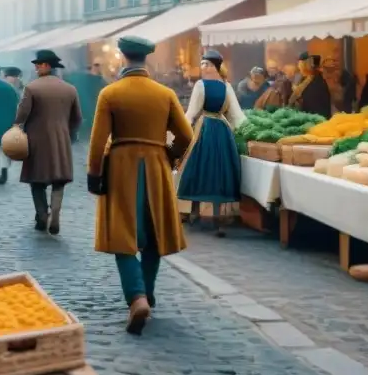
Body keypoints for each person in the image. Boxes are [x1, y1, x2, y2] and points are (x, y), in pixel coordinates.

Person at [87, 35, 193, 335]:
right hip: (156, 166)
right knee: (155, 233)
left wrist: (94, 175)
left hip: (121, 165)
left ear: (122, 56)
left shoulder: (111, 93)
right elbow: (186, 136)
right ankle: (147, 290)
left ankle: (137, 297)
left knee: (123, 234)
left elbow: (97, 143)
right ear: (146, 59)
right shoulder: (165, 93)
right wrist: (168, 157)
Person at [176, 50, 245, 237]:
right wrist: (243, 127)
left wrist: (182, 127)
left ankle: (201, 213)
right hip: (222, 130)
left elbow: (192, 112)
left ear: (215, 66)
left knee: (200, 167)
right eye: (203, 63)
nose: (203, 67)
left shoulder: (202, 85)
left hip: (206, 128)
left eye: (206, 64)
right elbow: (237, 116)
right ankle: (204, 214)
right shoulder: (226, 86)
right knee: (218, 169)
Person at [15, 49, 82, 235]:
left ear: (47, 66)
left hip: (37, 140)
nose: (36, 67)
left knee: (36, 181)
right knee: (59, 179)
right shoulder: (70, 89)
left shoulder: (32, 88)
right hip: (61, 140)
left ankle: (43, 216)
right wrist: (67, 132)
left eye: (39, 64)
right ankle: (56, 214)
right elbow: (77, 118)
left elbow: (21, 114)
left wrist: (16, 126)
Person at [289, 53, 332, 118]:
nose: (298, 67)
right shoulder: (306, 79)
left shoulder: (317, 83)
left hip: (315, 121)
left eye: (300, 65)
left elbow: (314, 106)